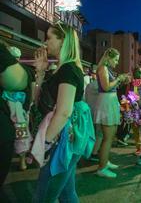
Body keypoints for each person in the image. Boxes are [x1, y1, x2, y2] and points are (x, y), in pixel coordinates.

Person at [32, 22, 95, 202]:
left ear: (63, 41)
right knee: (67, 193)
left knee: (43, 196)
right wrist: (40, 72)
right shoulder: (61, 69)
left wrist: (44, 144)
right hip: (65, 138)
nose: (45, 41)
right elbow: (37, 102)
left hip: (62, 139)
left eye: (49, 37)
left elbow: (64, 112)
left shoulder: (68, 69)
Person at [0, 40, 34, 187]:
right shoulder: (25, 71)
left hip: (16, 114)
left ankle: (21, 159)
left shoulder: (22, 71)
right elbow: (31, 93)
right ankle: (21, 159)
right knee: (22, 135)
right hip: (19, 114)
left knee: (21, 135)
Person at [94, 48, 130, 178]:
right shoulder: (102, 68)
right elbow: (106, 87)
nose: (117, 62)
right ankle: (101, 168)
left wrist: (121, 80)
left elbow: (112, 85)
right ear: (108, 58)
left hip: (111, 102)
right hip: (106, 103)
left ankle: (105, 161)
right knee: (107, 138)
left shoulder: (107, 69)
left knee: (110, 135)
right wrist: (119, 78)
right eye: (115, 59)